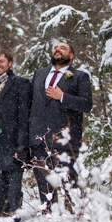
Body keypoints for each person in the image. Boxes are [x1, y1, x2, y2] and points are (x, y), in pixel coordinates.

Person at [28, 41, 93, 210]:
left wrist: (63, 96)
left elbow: (87, 104)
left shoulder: (79, 76)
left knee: (69, 181)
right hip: (39, 139)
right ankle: (48, 217)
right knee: (44, 184)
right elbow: (32, 104)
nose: (57, 49)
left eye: (63, 48)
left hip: (65, 139)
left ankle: (74, 216)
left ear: (71, 57)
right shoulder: (39, 74)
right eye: (55, 47)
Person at [0, 50, 31, 222]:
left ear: (10, 63)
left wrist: (22, 143)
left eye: (2, 61)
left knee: (14, 188)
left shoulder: (20, 83)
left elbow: (24, 114)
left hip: (14, 143)